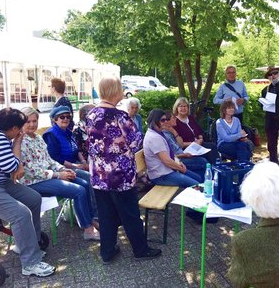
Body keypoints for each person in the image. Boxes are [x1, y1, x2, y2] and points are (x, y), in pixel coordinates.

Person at [86, 76, 161, 264]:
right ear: (115, 92)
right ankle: (140, 250)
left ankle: (107, 251)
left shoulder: (91, 114)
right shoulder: (120, 116)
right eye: (120, 88)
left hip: (99, 175)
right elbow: (135, 142)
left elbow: (87, 143)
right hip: (121, 176)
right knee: (130, 214)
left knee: (106, 215)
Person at [18, 107, 99, 241]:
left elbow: (49, 159)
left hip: (48, 175)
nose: (32, 124)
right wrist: (57, 175)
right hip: (33, 183)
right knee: (78, 190)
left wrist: (62, 169)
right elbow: (30, 171)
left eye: (34, 121)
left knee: (84, 184)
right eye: (28, 122)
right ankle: (88, 230)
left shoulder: (37, 138)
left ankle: (90, 220)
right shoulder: (21, 142)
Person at [0, 108, 55, 277]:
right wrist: (18, 145)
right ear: (13, 129)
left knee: (33, 198)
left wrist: (17, 162)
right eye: (20, 128)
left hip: (2, 182)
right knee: (20, 214)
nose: (21, 131)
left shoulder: (2, 134)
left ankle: (26, 244)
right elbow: (12, 167)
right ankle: (30, 263)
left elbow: (14, 167)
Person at [144, 109, 201, 187]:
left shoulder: (158, 133)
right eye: (162, 120)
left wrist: (179, 163)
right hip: (161, 176)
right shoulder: (154, 137)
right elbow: (166, 160)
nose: (165, 122)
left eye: (166, 120)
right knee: (196, 185)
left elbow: (169, 154)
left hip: (168, 170)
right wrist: (180, 168)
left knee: (198, 178)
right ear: (154, 121)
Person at [161, 110, 208, 182]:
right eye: (173, 118)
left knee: (202, 161)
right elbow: (171, 155)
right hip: (177, 161)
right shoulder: (165, 135)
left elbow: (181, 144)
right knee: (203, 162)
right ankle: (203, 183)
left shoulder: (171, 131)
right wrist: (184, 155)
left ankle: (201, 183)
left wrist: (174, 131)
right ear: (167, 121)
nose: (176, 119)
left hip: (182, 155)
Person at [173, 97, 219, 164]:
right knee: (206, 152)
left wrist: (200, 138)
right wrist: (194, 143)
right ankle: (211, 169)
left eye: (185, 106)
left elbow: (199, 132)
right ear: (176, 108)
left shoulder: (190, 118)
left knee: (212, 146)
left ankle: (217, 168)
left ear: (188, 108)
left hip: (198, 144)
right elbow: (178, 143)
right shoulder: (175, 122)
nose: (183, 108)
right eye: (180, 106)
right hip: (187, 147)